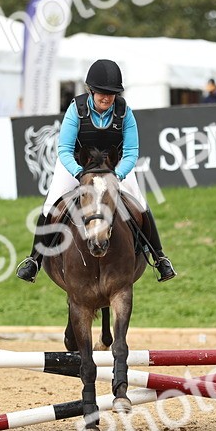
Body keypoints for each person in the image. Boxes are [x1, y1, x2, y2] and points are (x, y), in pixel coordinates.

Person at [15, 58, 175, 283]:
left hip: (114, 167)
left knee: (140, 202)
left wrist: (116, 176)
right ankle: (34, 261)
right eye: (101, 92)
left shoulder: (125, 113)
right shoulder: (76, 110)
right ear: (91, 90)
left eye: (112, 93)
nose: (106, 98)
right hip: (77, 165)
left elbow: (131, 152)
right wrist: (80, 174)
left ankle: (160, 259)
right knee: (51, 204)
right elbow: (64, 149)